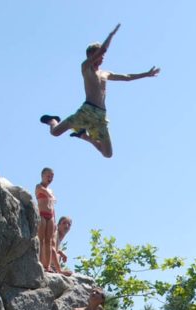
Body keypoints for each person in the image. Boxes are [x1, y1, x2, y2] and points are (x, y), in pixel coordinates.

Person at [40, 23, 160, 158]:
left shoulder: (105, 74)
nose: (102, 58)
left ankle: (85, 137)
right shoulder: (85, 67)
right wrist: (111, 35)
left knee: (108, 153)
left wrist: (146, 74)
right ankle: (53, 120)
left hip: (100, 116)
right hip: (87, 111)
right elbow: (102, 50)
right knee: (55, 132)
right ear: (91, 56)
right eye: (99, 56)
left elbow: (127, 77)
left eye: (102, 57)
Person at [35, 168, 59, 271]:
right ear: (43, 176)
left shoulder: (51, 190)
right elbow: (45, 193)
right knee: (41, 239)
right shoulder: (39, 186)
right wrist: (51, 196)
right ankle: (39, 262)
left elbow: (53, 205)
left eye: (52, 176)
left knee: (49, 241)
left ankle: (47, 265)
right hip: (42, 214)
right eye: (48, 176)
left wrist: (54, 219)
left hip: (50, 215)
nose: (50, 178)